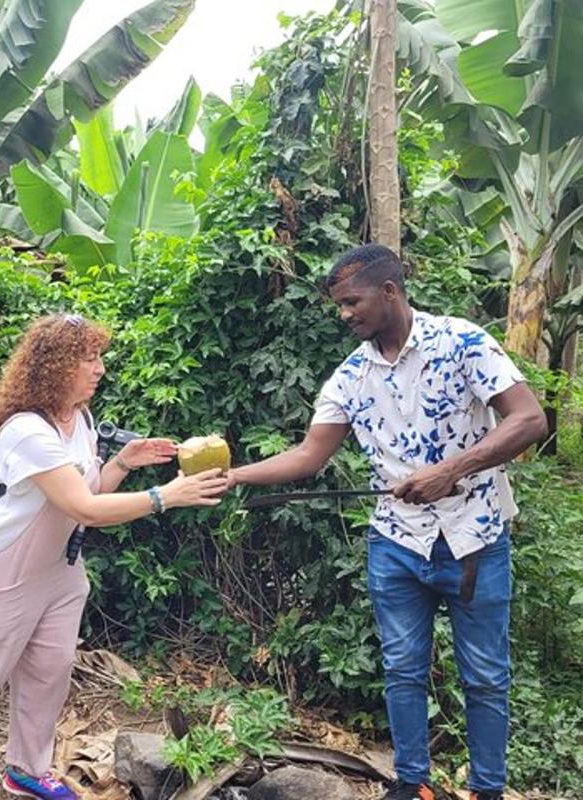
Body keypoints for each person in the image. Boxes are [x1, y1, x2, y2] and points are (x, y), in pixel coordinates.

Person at [227, 245, 547, 800]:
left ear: (390, 292)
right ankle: (412, 784)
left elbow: (530, 419)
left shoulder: (463, 341)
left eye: (352, 302)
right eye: (340, 306)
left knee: (486, 677)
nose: (344, 314)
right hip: (396, 545)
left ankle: (488, 790)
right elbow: (308, 456)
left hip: (474, 537)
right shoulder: (349, 378)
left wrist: (453, 470)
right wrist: (233, 476)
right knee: (401, 669)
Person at [0, 313, 229, 800]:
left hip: (59, 569)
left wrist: (121, 463)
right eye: (89, 359)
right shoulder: (28, 430)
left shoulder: (80, 420)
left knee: (49, 672)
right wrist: (166, 496)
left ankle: (26, 770)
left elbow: (87, 494)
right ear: (56, 366)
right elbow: (83, 505)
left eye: (99, 357)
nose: (100, 368)